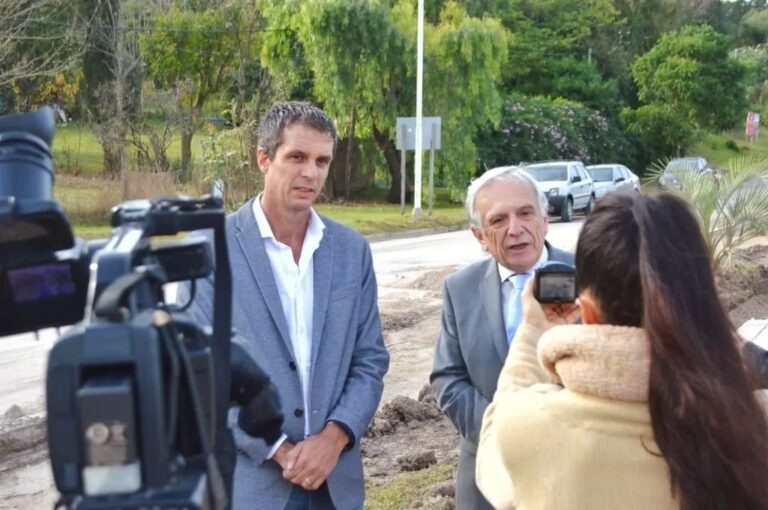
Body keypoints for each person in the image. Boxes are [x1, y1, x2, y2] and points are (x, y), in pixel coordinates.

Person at [476, 192, 768, 509]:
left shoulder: (532, 428)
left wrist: (532, 332)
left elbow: (492, 447)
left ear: (587, 313)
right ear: (706, 295)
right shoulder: (750, 419)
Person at [178, 101, 389, 509]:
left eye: (322, 161)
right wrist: (277, 449)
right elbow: (197, 374)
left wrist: (335, 437)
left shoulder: (351, 251)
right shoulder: (207, 250)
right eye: (297, 157)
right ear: (263, 158)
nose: (311, 173)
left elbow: (369, 359)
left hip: (335, 484)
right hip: (250, 486)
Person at [430, 165, 574, 510]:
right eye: (498, 220)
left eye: (525, 213)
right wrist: (503, 432)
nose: (515, 229)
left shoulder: (589, 274)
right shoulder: (460, 289)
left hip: (573, 473)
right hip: (487, 479)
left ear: (545, 219)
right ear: (479, 236)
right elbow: (447, 378)